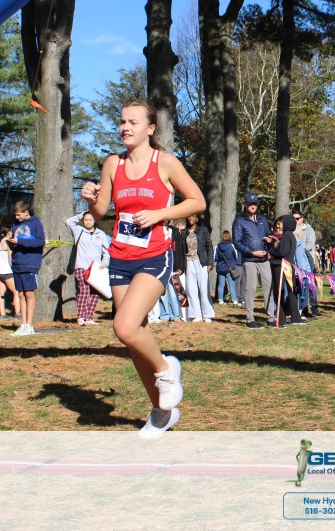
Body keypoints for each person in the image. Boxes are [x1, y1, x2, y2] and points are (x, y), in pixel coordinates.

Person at [81, 99, 206, 437]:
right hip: (120, 257)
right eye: (122, 121)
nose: (125, 127)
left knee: (124, 327)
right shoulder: (113, 163)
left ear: (150, 128)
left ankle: (167, 369)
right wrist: (91, 198)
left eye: (133, 122)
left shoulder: (165, 162)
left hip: (154, 255)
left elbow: (197, 201)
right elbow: (102, 210)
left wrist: (159, 214)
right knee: (134, 337)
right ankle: (161, 412)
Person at [232, 192, 272, 329]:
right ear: (245, 204)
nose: (253, 206)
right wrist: (251, 252)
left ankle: (271, 317)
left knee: (268, 287)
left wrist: (268, 239)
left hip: (264, 259)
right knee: (250, 289)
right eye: (250, 204)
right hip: (249, 259)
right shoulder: (239, 221)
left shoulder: (262, 219)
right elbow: (237, 242)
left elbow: (268, 234)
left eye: (255, 204)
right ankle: (250, 319)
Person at [66, 210, 110, 326]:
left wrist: (105, 262)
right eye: (85, 220)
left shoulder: (101, 234)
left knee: (95, 293)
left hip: (96, 268)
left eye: (90, 219)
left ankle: (89, 317)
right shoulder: (78, 231)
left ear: (94, 220)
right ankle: (81, 316)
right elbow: (69, 222)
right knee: (84, 291)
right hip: (81, 266)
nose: (88, 222)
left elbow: (107, 251)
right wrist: (82, 214)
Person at [10, 199, 45, 336]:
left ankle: (30, 325)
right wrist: (12, 243)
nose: (16, 217)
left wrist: (21, 241)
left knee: (29, 293)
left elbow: (40, 241)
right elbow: (16, 240)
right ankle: (23, 324)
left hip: (30, 263)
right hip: (17, 262)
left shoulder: (35, 223)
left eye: (19, 215)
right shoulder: (15, 225)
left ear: (26, 212)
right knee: (20, 294)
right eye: (15, 215)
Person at [267, 215, 306, 326]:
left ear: (287, 223)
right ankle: (295, 317)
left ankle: (281, 319)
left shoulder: (286, 235)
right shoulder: (291, 235)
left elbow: (282, 252)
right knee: (291, 291)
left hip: (281, 265)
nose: (278, 226)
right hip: (290, 265)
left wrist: (271, 250)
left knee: (279, 292)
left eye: (281, 223)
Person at [180, 213, 214, 323]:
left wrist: (210, 263)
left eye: (193, 216)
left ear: (197, 219)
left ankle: (207, 314)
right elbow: (182, 250)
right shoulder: (184, 232)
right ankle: (196, 314)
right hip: (188, 262)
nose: (190, 218)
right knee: (191, 290)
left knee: (204, 289)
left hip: (201, 261)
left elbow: (209, 246)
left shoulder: (203, 230)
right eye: (189, 216)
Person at [295, 212, 321, 317]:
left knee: (311, 286)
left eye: (297, 218)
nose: (295, 220)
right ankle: (302, 308)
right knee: (301, 286)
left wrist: (300, 249)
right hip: (297, 262)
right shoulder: (292, 230)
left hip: (308, 262)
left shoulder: (309, 230)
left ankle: (314, 307)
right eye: (294, 218)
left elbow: (310, 243)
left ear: (302, 218)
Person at [0, 226, 20, 320]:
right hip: (7, 271)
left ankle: (2, 314)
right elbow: (10, 257)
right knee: (16, 292)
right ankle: (18, 313)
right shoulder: (6, 242)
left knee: (1, 293)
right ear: (8, 232)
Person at [214, 230, 240, 305]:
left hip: (220, 268)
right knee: (231, 284)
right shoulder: (232, 246)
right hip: (230, 268)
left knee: (221, 284)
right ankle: (234, 300)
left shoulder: (217, 246)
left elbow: (215, 258)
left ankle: (220, 300)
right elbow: (236, 256)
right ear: (229, 236)